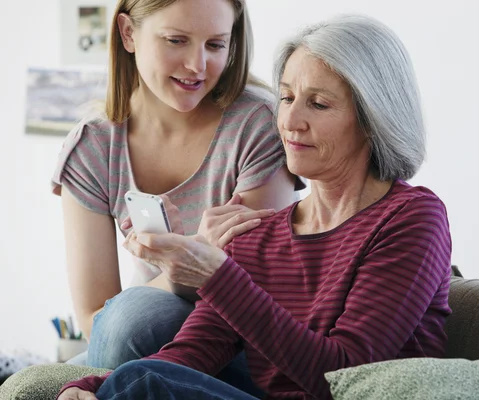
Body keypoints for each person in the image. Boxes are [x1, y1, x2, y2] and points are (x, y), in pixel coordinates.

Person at [57, 13, 452, 400]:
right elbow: (190, 355)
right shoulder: (258, 234)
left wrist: (218, 275)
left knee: (146, 383)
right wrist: (86, 386)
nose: (290, 121)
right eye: (287, 97)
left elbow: (345, 376)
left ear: (372, 118)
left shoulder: (412, 218)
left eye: (318, 104)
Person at [51, 0, 298, 395]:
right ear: (129, 34)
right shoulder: (94, 146)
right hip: (141, 332)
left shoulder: (257, 124)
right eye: (176, 40)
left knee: (134, 319)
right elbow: (94, 316)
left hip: (243, 335)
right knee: (123, 326)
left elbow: (266, 291)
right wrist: (183, 271)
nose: (197, 65)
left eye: (215, 45)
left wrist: (194, 270)